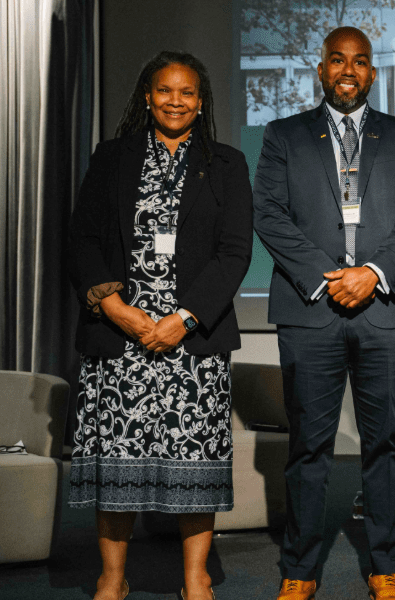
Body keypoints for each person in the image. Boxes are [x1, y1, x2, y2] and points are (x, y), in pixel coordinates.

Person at [67, 51, 253, 600]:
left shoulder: (226, 164)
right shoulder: (111, 158)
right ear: (147, 96)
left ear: (201, 102)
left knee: (194, 462)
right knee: (116, 465)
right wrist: (113, 306)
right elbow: (83, 240)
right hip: (120, 336)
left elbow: (234, 252)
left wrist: (184, 318)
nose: (176, 101)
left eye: (188, 92)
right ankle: (113, 578)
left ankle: (195, 578)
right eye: (165, 91)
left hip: (190, 337)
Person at [253, 26, 395, 600]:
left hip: (384, 311)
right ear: (321, 70)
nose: (348, 69)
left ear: (372, 73)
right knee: (308, 448)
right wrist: (327, 280)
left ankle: (385, 568)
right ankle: (299, 572)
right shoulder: (284, 135)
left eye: (359, 61)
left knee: (386, 446)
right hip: (312, 314)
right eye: (337, 60)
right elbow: (270, 214)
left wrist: (372, 275)